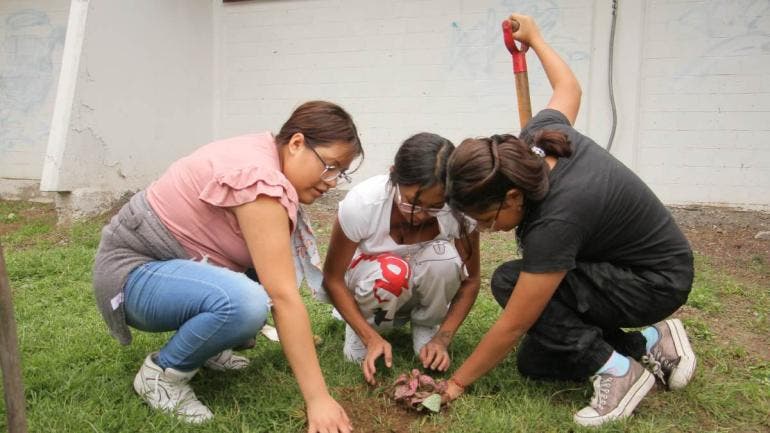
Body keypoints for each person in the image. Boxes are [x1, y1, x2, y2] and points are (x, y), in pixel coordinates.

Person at [441, 14, 696, 427]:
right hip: (618, 263)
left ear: (512, 195)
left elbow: (513, 323)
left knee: (509, 281)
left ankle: (618, 371)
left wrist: (455, 384)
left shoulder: (555, 221)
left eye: (488, 218)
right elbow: (568, 88)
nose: (488, 230)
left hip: (654, 281)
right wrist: (536, 40)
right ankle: (652, 341)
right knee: (537, 362)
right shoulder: (536, 142)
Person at [92, 101, 362, 432]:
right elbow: (283, 296)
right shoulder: (260, 181)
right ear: (296, 144)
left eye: (341, 172)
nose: (333, 181)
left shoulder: (266, 153)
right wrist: (318, 399)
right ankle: (161, 375)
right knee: (248, 302)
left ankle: (207, 347)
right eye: (330, 166)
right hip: (132, 275)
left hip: (174, 267)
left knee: (258, 282)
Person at [322, 133, 480, 385]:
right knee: (392, 271)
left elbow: (471, 281)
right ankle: (366, 328)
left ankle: (426, 325)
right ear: (393, 175)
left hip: (418, 280)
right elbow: (332, 279)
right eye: (410, 202)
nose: (419, 215)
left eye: (434, 206)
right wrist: (369, 338)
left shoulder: (458, 209)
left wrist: (443, 337)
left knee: (445, 261)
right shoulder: (364, 203)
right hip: (371, 281)